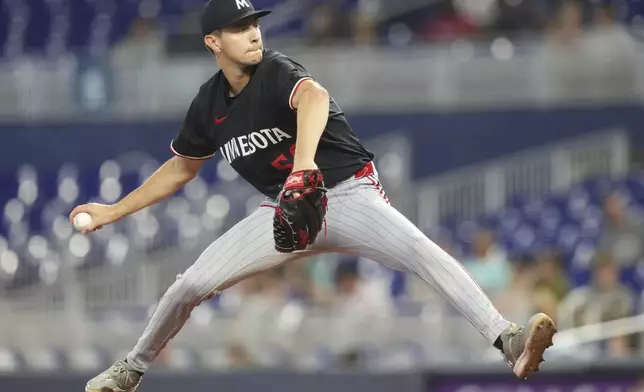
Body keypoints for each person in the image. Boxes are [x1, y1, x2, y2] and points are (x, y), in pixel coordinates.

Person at [75, 1, 556, 391]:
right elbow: (182, 167)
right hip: (285, 212)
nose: (254, 34)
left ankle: (506, 338)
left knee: (421, 253)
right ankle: (131, 369)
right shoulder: (208, 105)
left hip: (345, 193)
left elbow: (314, 98)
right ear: (213, 41)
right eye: (239, 28)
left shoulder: (276, 70)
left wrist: (305, 164)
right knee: (189, 285)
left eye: (254, 24)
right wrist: (114, 211)